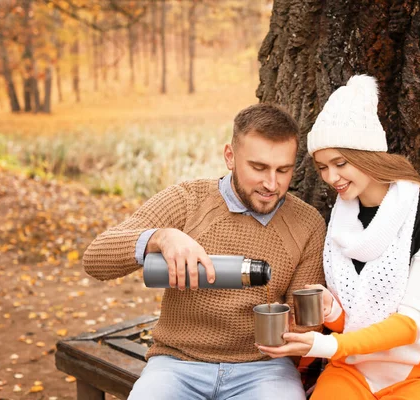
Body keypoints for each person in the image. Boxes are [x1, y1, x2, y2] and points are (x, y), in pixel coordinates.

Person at [82, 103, 326, 400]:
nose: (271, 184)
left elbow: (304, 324)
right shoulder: (187, 201)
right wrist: (162, 237)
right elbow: (95, 259)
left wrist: (299, 327)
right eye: (258, 168)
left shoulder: (307, 224)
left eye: (283, 170)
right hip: (176, 365)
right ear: (230, 157)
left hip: (265, 371)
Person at [258, 75, 420, 399]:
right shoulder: (340, 225)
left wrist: (327, 344)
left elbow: (410, 325)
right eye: (322, 168)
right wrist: (331, 311)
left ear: (369, 154)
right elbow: (357, 321)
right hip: (354, 369)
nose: (331, 178)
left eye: (340, 163)